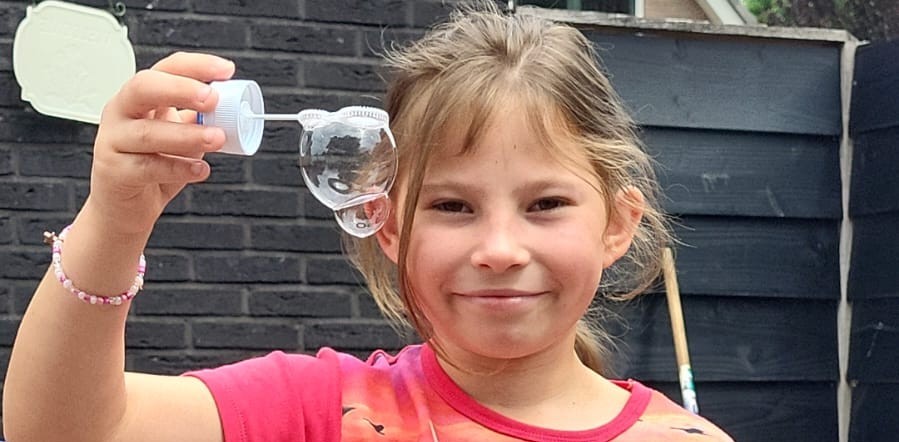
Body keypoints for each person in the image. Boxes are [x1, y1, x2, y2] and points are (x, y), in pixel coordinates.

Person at [3, 3, 733, 441]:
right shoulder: (320, 411)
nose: (500, 249)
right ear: (386, 226)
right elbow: (65, 431)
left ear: (617, 224)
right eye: (450, 206)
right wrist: (115, 220)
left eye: (545, 204)